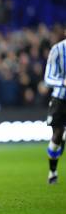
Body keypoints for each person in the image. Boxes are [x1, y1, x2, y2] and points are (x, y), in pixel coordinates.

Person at [44, 33, 66, 184]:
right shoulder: (57, 50)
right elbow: (48, 78)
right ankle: (52, 171)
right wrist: (63, 82)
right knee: (57, 135)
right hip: (60, 99)